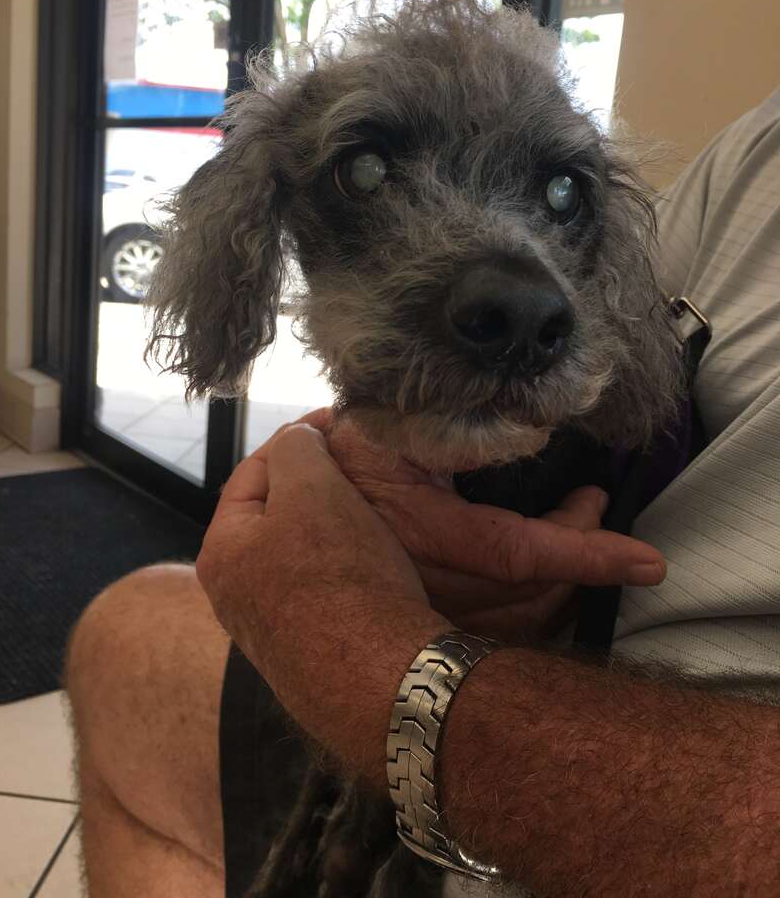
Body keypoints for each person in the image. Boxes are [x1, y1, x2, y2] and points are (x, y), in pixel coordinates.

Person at [66, 88, 780, 897]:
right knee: (125, 635)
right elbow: (635, 328)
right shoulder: (759, 143)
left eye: (559, 195)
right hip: (549, 670)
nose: (521, 298)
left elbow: (626, 348)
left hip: (619, 773)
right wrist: (365, 470)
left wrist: (361, 649)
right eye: (366, 175)